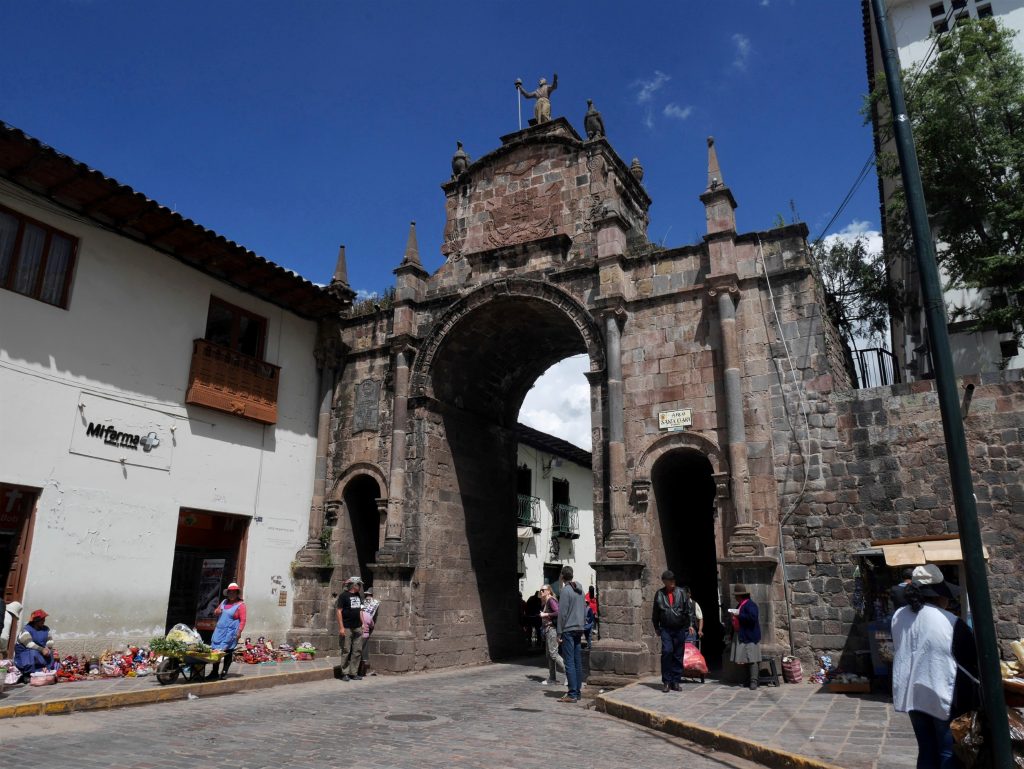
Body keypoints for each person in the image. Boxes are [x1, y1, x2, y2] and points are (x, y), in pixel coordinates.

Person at [892, 564, 979, 769]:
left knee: (926, 748)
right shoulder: (951, 622)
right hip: (941, 694)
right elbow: (970, 658)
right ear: (939, 595)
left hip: (912, 693)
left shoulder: (898, 617)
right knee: (947, 751)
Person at [652, 571, 694, 692]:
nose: (670, 584)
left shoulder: (682, 593)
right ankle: (666, 681)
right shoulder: (659, 594)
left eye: (671, 581)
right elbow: (655, 612)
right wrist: (656, 626)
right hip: (665, 628)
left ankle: (675, 681)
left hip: (679, 628)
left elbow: (689, 610)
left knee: (678, 655)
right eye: (667, 582)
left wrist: (690, 624)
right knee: (667, 651)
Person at [556, 565, 586, 703]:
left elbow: (562, 614)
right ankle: (577, 691)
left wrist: (559, 632)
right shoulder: (580, 590)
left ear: (562, 576)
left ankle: (572, 693)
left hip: (568, 629)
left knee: (569, 662)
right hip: (579, 627)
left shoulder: (565, 591)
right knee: (577, 661)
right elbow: (584, 609)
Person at [207, 582, 246, 680]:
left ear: (237, 593)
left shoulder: (241, 605)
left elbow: (243, 620)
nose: (232, 594)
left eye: (234, 592)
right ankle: (214, 672)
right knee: (216, 651)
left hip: (230, 633)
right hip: (219, 631)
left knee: (228, 651)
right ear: (227, 593)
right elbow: (216, 611)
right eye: (230, 592)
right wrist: (217, 611)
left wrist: (239, 632)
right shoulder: (224, 602)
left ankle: (224, 672)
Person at [729, 585, 762, 690]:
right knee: (744, 659)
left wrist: (739, 615)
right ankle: (747, 680)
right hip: (742, 634)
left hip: (750, 635)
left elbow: (752, 618)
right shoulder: (740, 605)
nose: (735, 598)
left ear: (741, 596)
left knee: (752, 659)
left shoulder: (750, 605)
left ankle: (754, 681)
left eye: (736, 596)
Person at [14, 608, 58, 680]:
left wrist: (48, 647)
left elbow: (50, 640)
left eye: (44, 619)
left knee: (51, 652)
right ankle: (27, 674)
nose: (44, 621)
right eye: (42, 620)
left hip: (40, 652)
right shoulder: (26, 630)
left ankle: (45, 671)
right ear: (36, 621)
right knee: (32, 653)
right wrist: (42, 649)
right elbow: (29, 644)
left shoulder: (45, 629)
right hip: (25, 655)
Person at [336, 576, 364, 682]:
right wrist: (341, 627)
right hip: (347, 627)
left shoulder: (358, 595)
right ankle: (345, 673)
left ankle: (354, 672)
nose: (360, 587)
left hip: (357, 626)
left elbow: (360, 610)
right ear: (354, 585)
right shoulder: (343, 596)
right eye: (359, 585)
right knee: (346, 650)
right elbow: (339, 611)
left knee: (357, 650)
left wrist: (363, 623)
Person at [538, 584, 566, 685]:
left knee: (553, 654)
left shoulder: (551, 600)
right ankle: (552, 678)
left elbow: (558, 612)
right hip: (548, 630)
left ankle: (568, 674)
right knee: (549, 655)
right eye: (540, 590)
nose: (541, 592)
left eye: (543, 590)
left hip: (552, 630)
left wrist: (546, 614)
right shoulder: (546, 601)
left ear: (549, 591)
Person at [360, 587, 380, 676]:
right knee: (364, 654)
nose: (368, 597)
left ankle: (356, 671)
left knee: (357, 653)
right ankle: (362, 672)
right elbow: (372, 625)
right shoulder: (368, 616)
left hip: (358, 635)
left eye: (369, 595)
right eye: (367, 595)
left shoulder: (359, 614)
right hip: (365, 636)